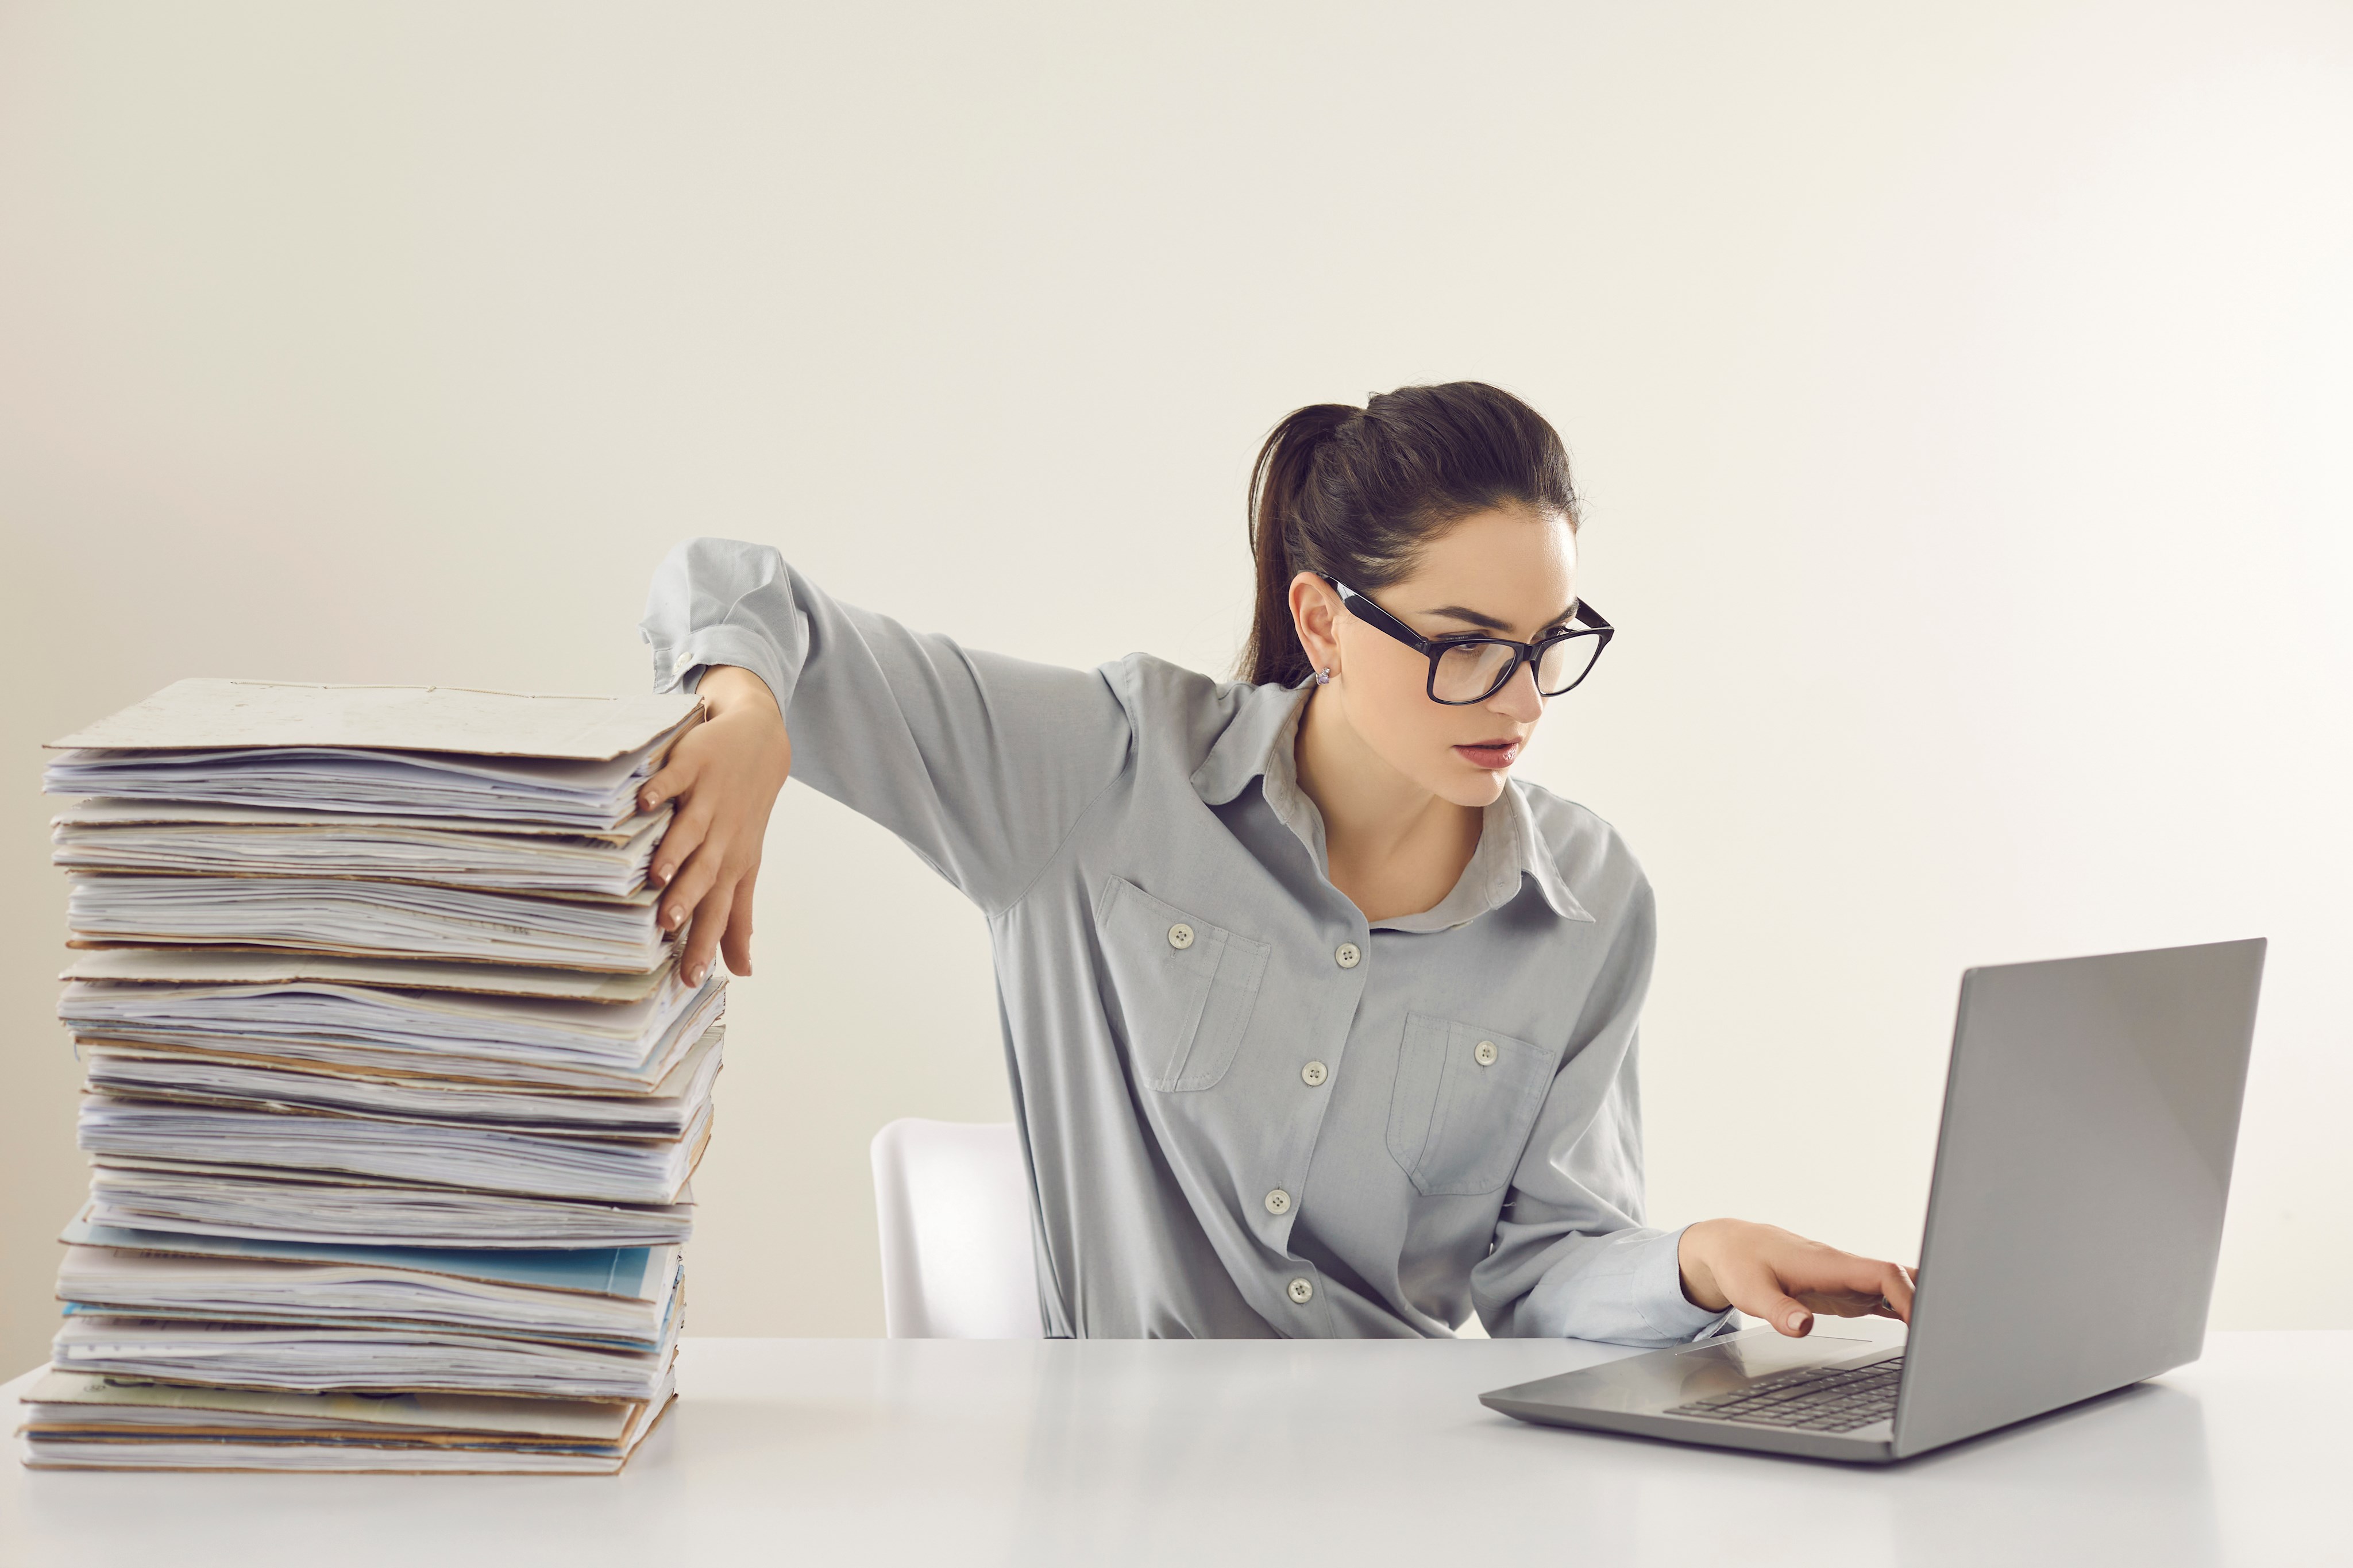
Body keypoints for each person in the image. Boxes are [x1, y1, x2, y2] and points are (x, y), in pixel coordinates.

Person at [635, 381, 1916, 1341]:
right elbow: (731, 584)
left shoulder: (1589, 904)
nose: (1519, 703)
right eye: (1466, 645)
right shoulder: (1101, 775)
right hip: (1114, 1498)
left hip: (1405, 1492)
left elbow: (1538, 1270)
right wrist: (748, 712)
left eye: (1545, 643)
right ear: (1323, 621)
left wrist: (1691, 1258)